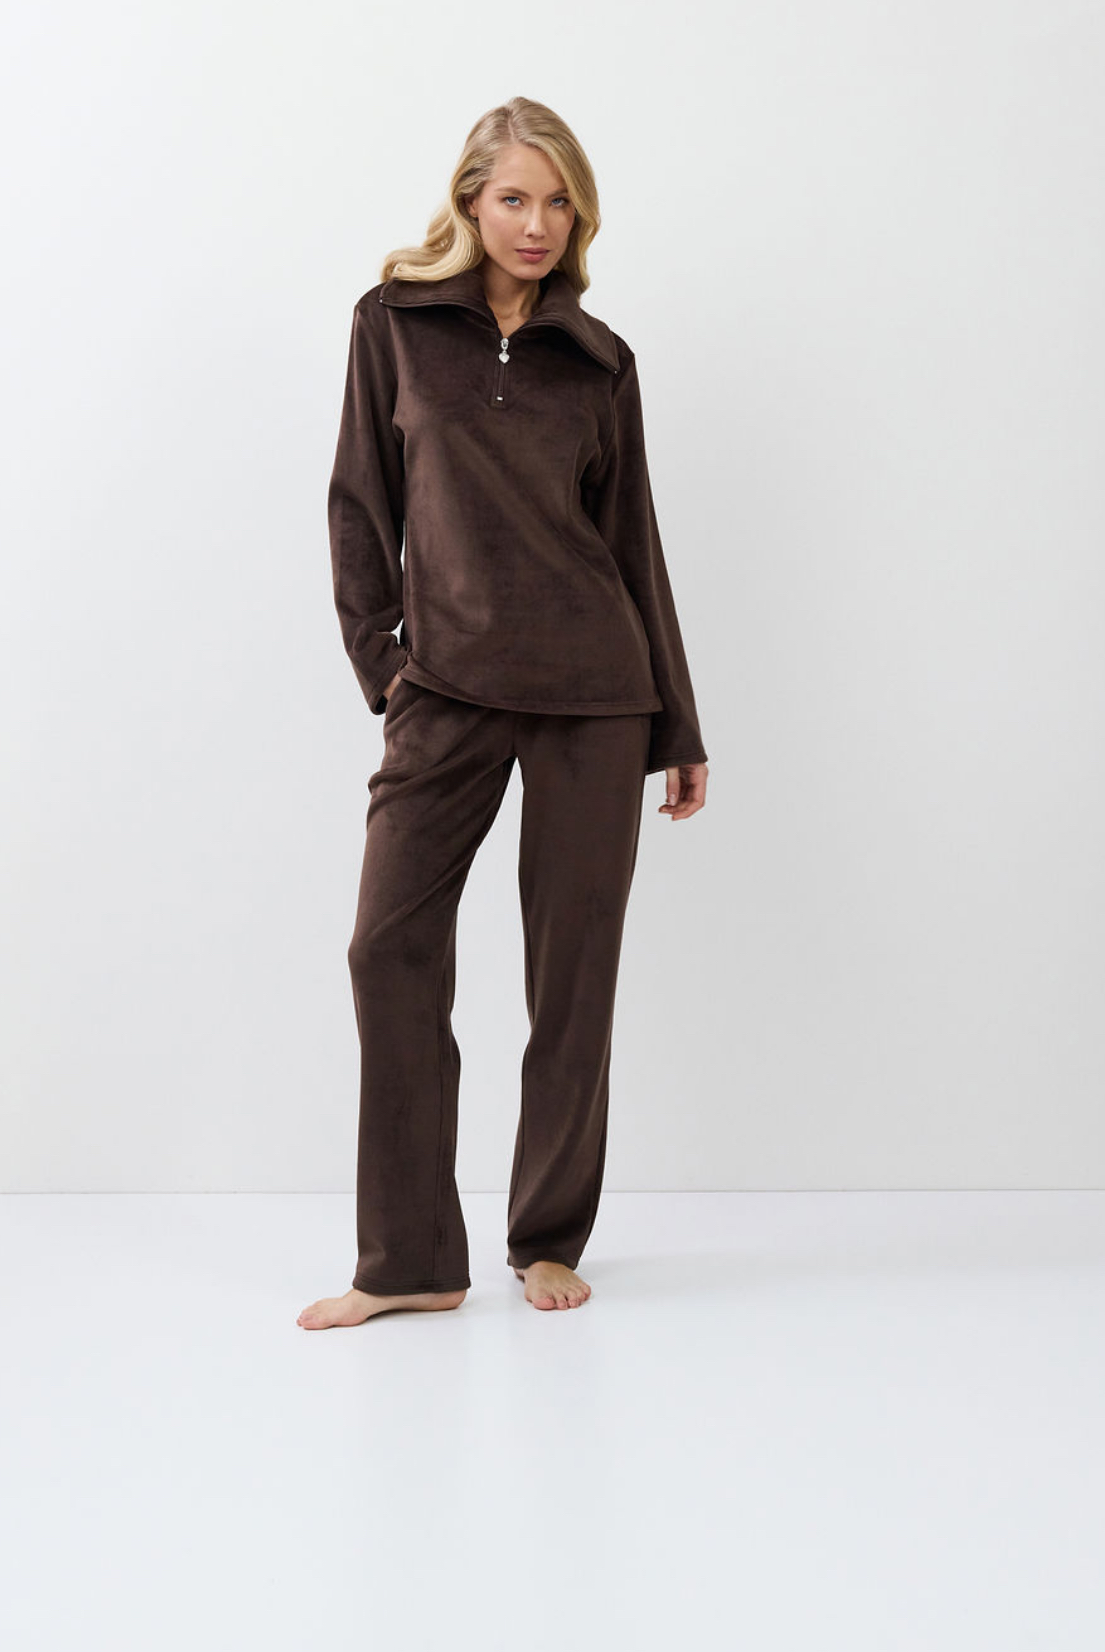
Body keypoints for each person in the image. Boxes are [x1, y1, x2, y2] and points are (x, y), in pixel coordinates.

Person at [297, 96, 710, 1330]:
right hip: (446, 689)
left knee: (571, 978)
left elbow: (633, 544)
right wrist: (387, 668)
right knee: (387, 948)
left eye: (559, 202)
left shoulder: (600, 360)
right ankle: (411, 1258)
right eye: (515, 198)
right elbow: (360, 507)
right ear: (470, 201)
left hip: (594, 694)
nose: (537, 223)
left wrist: (677, 726)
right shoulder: (394, 326)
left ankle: (547, 1237)